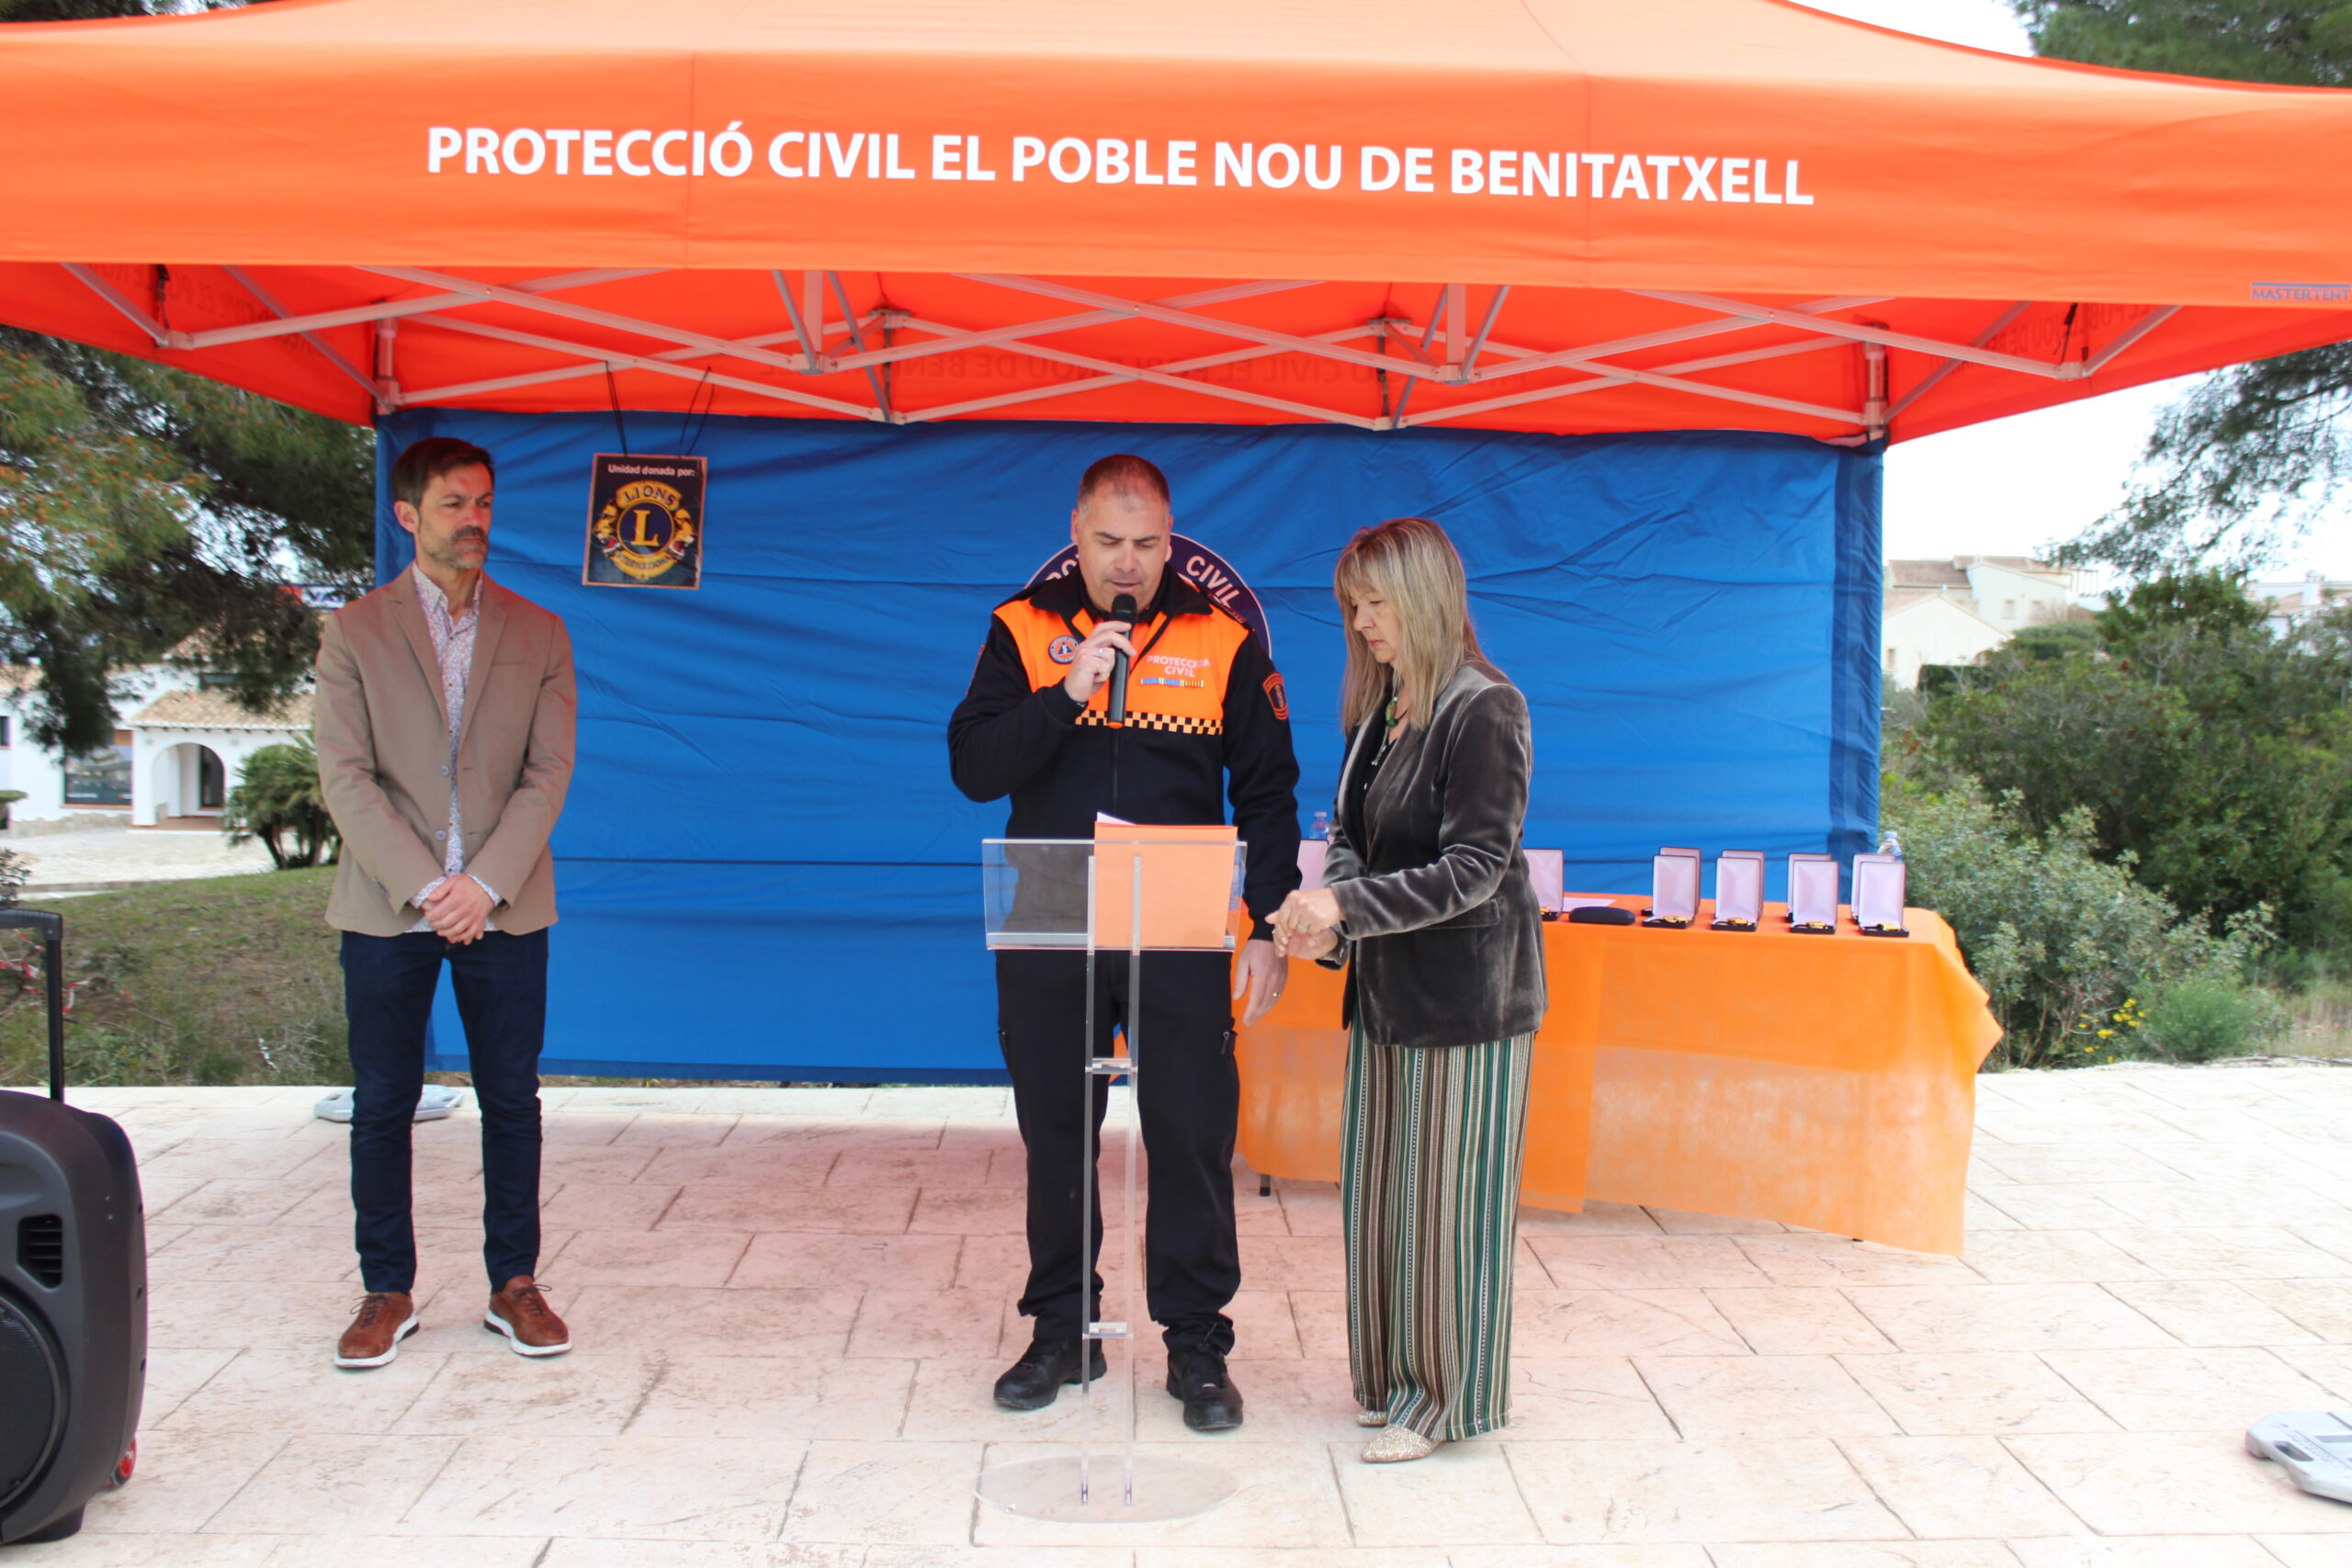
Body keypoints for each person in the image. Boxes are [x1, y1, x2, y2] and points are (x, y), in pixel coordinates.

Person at [948, 454, 1301, 1430]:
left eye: (1147, 544)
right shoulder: (1021, 628)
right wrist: (1066, 694)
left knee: (1189, 1131)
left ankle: (1197, 1343)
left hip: (1177, 921)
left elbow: (1269, 791)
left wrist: (1268, 921)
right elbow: (973, 766)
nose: (1128, 564)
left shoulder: (1223, 638)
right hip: (1051, 914)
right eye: (1109, 542)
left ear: (1171, 539)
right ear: (1076, 532)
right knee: (1056, 1131)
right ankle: (1062, 1328)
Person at [1271, 516, 1544, 1463]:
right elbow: (1348, 835)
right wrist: (1329, 916)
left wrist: (1344, 907)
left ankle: (1441, 1403)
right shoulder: (1380, 709)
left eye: (1375, 604)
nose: (1360, 624)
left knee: (1447, 1212)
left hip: (1469, 1004)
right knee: (1385, 1201)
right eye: (1353, 607)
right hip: (1387, 995)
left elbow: (1475, 867)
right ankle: (1392, 1382)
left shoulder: (1487, 708)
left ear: (1425, 599)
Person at [314, 435, 578, 1370]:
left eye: (485, 504)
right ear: (407, 516)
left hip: (506, 903)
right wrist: (432, 889)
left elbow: (548, 772)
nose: (475, 521)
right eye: (455, 504)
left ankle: (515, 1284)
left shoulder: (540, 631)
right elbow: (345, 777)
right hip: (390, 905)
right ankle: (386, 1291)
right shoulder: (353, 632)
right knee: (382, 1103)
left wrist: (484, 884)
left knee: (513, 1100)